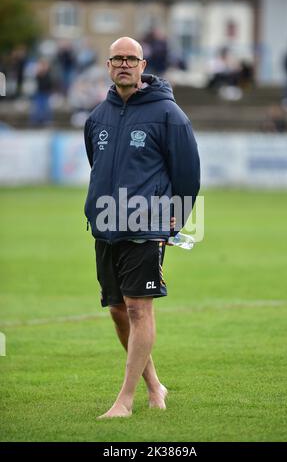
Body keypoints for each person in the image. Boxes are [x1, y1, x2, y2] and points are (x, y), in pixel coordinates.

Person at [84, 37, 200, 419]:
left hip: (147, 225)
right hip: (106, 225)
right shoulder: (97, 116)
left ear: (142, 64)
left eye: (130, 59)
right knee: (118, 310)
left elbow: (188, 174)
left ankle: (125, 401)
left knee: (138, 309)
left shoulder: (169, 114)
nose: (123, 64)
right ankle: (154, 385)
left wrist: (174, 222)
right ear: (108, 65)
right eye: (116, 58)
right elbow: (97, 165)